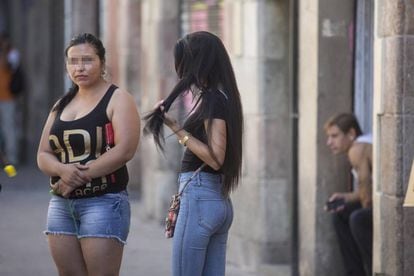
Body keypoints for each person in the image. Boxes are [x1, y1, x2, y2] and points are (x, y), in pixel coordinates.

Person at [37, 33, 140, 276]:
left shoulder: (118, 99)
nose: (79, 67)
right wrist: (63, 170)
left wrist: (76, 176)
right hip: (61, 205)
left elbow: (125, 150)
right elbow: (43, 154)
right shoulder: (61, 104)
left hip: (103, 202)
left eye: (87, 60)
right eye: (73, 61)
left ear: (102, 63)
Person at [143, 31, 243, 276]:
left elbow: (216, 158)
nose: (180, 70)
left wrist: (178, 130)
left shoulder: (213, 100)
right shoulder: (224, 96)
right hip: (217, 200)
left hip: (200, 198)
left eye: (183, 62)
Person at [324, 113, 373, 276]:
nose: (329, 142)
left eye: (334, 136)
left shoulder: (357, 149)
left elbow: (367, 199)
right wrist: (345, 198)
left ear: (351, 134)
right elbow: (365, 191)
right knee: (341, 213)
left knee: (358, 218)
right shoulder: (364, 143)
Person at [0, 32, 20, 165]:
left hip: (7, 98)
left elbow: (8, 65)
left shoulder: (12, 54)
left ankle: (11, 159)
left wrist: (4, 51)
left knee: (8, 128)